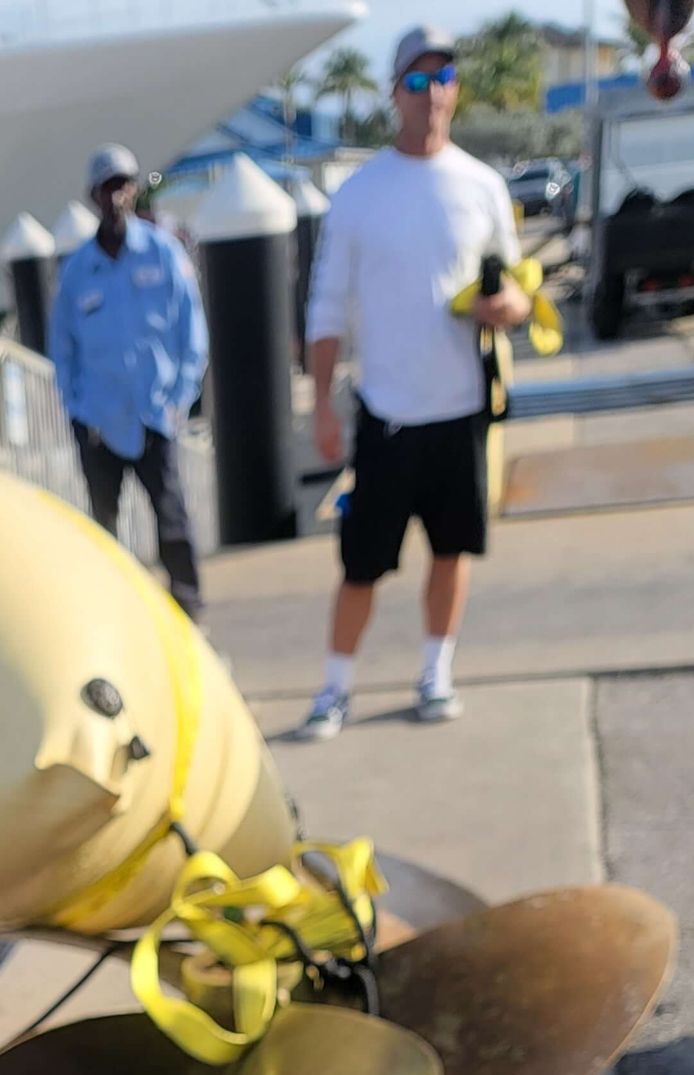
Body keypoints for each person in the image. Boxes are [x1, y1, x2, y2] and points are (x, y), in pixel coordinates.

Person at [299, 27, 529, 736]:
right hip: (387, 413)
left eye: (444, 79)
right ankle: (335, 688)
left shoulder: (484, 186)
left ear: (457, 90)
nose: (432, 95)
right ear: (394, 92)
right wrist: (323, 405)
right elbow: (326, 306)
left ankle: (436, 672)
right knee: (362, 566)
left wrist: (508, 307)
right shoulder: (359, 195)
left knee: (452, 550)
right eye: (417, 82)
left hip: (461, 410)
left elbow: (518, 290)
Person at [50, 143, 209, 618]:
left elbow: (192, 332)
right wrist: (76, 408)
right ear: (93, 197)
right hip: (99, 418)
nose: (115, 197)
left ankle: (190, 610)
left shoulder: (163, 254)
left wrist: (180, 398)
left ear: (134, 191)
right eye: (106, 188)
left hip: (154, 411)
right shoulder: (78, 271)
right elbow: (62, 348)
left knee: (171, 518)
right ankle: (113, 609)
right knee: (104, 523)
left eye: (123, 186)